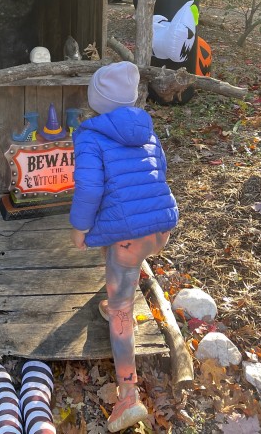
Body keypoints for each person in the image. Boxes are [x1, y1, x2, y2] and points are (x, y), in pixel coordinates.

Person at [69, 61, 179, 433]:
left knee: (121, 309)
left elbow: (89, 189)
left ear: (96, 100)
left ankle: (128, 395)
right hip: (160, 228)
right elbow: (159, 172)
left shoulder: (89, 136)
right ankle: (115, 296)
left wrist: (79, 227)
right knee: (117, 247)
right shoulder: (147, 131)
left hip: (131, 238)